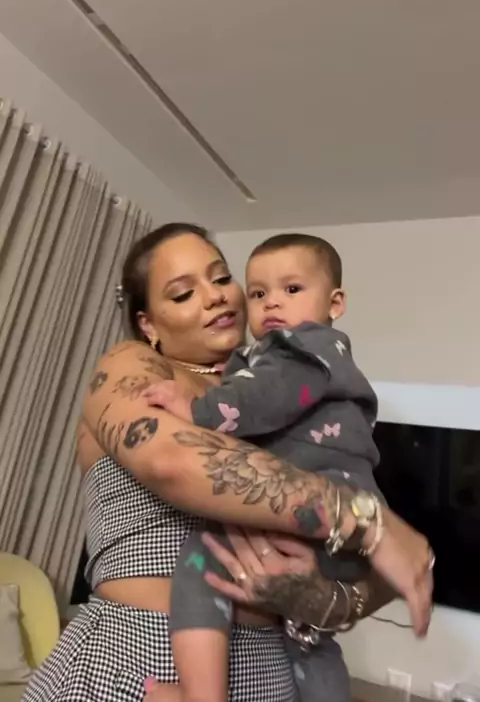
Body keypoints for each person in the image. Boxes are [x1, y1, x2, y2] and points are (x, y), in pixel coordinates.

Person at [22, 223, 432, 702]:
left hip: (273, 671)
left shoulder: (282, 393)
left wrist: (325, 598)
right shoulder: (134, 368)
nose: (215, 296)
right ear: (148, 324)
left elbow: (385, 569)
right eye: (182, 293)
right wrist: (363, 518)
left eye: (220, 278)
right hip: (139, 657)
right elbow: (171, 458)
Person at [144, 232, 384, 702]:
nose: (272, 302)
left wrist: (195, 409)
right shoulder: (271, 358)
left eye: (292, 289)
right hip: (344, 522)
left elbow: (263, 398)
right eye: (258, 293)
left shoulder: (306, 348)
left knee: (199, 560)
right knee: (308, 636)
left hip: (324, 502)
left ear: (335, 303)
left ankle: (200, 695)